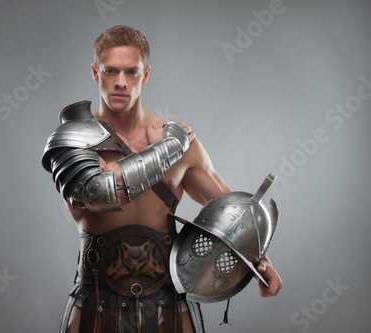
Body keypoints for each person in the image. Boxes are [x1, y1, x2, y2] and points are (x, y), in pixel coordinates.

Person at [42, 25, 282, 333]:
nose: (120, 83)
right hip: (97, 304)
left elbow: (234, 213)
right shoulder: (74, 141)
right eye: (110, 71)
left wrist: (262, 263)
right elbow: (100, 192)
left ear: (146, 74)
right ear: (95, 72)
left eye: (131, 72)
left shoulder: (181, 141)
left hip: (170, 303)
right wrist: (169, 149)